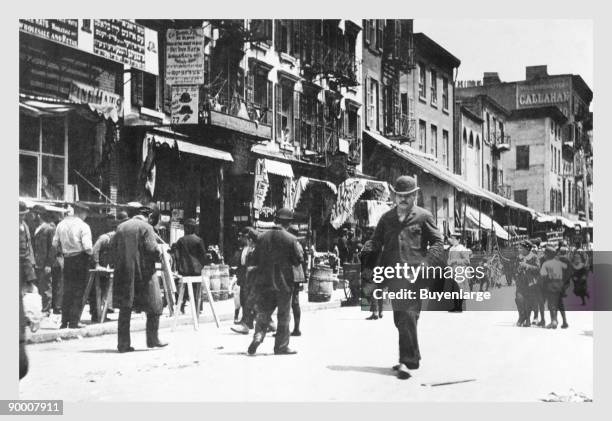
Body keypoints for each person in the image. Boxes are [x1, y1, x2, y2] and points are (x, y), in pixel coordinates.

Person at [361, 176, 444, 380]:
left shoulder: (423, 217)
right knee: (401, 318)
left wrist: (425, 265)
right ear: (394, 195)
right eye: (400, 195)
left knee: (407, 314)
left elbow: (437, 243)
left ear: (415, 195)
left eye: (408, 195)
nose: (404, 199)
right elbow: (376, 242)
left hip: (415, 276)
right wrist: (368, 258)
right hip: (394, 276)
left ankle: (408, 361)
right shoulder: (386, 218)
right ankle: (412, 355)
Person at [247, 208, 304, 356]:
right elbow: (298, 260)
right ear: (289, 222)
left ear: (276, 220)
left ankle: (258, 336)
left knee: (264, 312)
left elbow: (255, 258)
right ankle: (281, 346)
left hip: (265, 281)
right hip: (284, 283)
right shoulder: (291, 239)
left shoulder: (262, 237)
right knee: (284, 315)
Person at [112, 204, 167, 353]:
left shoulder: (121, 227)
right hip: (144, 273)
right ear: (148, 216)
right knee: (155, 305)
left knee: (125, 308)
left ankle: (123, 344)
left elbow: (112, 248)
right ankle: (152, 339)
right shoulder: (146, 227)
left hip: (123, 272)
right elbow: (152, 249)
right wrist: (161, 255)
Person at [52, 202, 93, 329]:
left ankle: (64, 322)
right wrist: (90, 253)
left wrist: (64, 249)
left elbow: (54, 243)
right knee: (79, 291)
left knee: (67, 290)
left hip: (67, 259)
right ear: (82, 212)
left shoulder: (61, 224)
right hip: (80, 258)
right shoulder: (84, 226)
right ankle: (74, 322)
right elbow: (87, 247)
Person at [170, 218, 207, 314]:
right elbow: (203, 256)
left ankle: (181, 306)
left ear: (186, 228)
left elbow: (176, 254)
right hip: (196, 269)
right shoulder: (198, 240)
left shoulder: (181, 241)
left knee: (184, 288)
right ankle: (198, 308)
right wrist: (200, 266)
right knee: (197, 289)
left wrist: (179, 266)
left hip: (185, 270)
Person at [231, 228, 261, 335]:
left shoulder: (256, 249)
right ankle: (247, 322)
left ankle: (248, 323)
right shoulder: (244, 249)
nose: (243, 239)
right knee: (246, 300)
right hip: (245, 277)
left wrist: (252, 269)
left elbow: (262, 264)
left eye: (245, 237)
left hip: (254, 278)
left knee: (251, 302)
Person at [89, 218, 119, 322]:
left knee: (105, 291)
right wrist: (97, 264)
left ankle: (103, 314)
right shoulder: (104, 238)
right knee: (95, 292)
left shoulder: (116, 240)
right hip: (96, 268)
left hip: (106, 268)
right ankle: (95, 314)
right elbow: (94, 251)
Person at [19, 201, 34, 379]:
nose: (23, 217)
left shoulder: (23, 226)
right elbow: (22, 254)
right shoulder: (20, 228)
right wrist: (30, 279)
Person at [539, 247, 567, 329]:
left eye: (545, 253)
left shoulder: (545, 264)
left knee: (551, 305)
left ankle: (553, 321)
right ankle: (564, 321)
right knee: (560, 304)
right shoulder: (559, 262)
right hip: (560, 285)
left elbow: (542, 275)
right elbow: (565, 267)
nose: (544, 255)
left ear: (547, 255)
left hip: (550, 285)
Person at [515, 240, 540, 327]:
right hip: (520, 282)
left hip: (530, 283)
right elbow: (515, 268)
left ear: (527, 248)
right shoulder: (519, 257)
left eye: (521, 248)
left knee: (529, 302)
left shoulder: (534, 257)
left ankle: (528, 319)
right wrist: (518, 269)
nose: (520, 249)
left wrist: (527, 266)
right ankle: (522, 316)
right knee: (518, 299)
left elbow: (537, 269)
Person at [447, 232, 471, 313]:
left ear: (458, 240)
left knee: (460, 289)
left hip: (460, 272)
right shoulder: (451, 249)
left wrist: (455, 261)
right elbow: (449, 259)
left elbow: (467, 261)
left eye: (454, 239)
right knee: (454, 289)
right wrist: (449, 263)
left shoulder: (462, 249)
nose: (452, 240)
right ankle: (455, 306)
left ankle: (460, 307)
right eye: (452, 239)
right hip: (453, 272)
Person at [288, 225, 304, 336]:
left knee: (293, 303)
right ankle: (295, 329)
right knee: (293, 303)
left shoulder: (294, 244)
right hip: (296, 275)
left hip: (293, 275)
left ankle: (296, 329)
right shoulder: (297, 244)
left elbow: (300, 259)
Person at [556, 245, 572, 328]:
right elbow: (569, 273)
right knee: (558, 302)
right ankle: (563, 321)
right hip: (563, 283)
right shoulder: (567, 260)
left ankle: (560, 321)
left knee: (557, 302)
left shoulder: (557, 259)